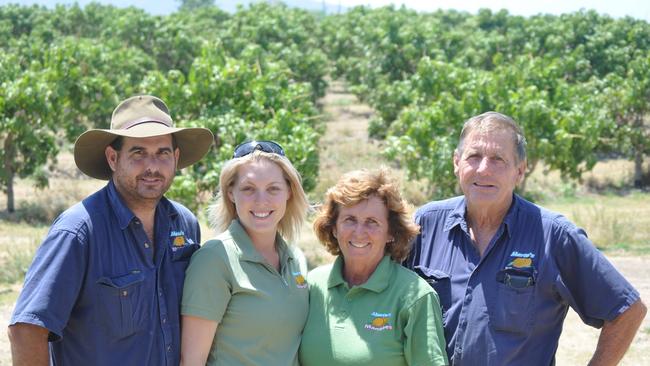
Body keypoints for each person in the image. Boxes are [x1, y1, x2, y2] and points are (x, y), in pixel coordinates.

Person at [405, 111, 647, 365]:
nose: (484, 169)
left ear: (519, 171)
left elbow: (628, 311)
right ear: (457, 162)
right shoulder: (426, 224)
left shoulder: (553, 235)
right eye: (474, 156)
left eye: (498, 159)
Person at [7, 95, 213, 366]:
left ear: (175, 158)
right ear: (113, 158)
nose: (152, 166)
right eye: (138, 153)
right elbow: (27, 330)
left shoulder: (184, 224)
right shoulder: (78, 232)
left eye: (162, 153)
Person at [180, 140, 310, 365]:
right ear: (231, 192)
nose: (261, 201)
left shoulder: (295, 258)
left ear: (289, 191)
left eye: (273, 189)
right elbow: (191, 361)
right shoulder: (214, 259)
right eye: (248, 189)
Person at [300, 168, 448, 366]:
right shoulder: (311, 285)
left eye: (372, 222)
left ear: (391, 233)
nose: (359, 232)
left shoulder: (415, 297)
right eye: (349, 220)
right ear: (334, 227)